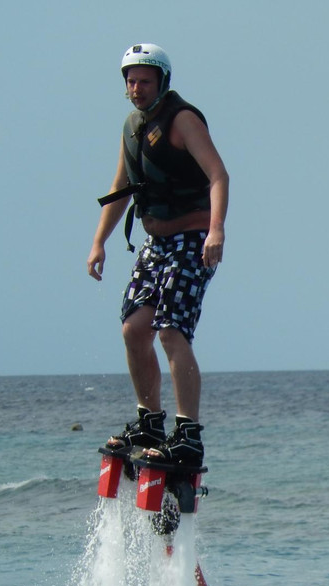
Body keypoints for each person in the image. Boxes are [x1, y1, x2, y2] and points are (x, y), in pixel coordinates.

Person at [87, 43, 229, 469]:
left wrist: (217, 230)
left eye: (144, 81)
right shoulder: (132, 127)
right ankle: (149, 421)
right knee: (134, 329)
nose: (136, 89)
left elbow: (219, 175)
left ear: (162, 82)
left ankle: (187, 434)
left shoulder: (182, 119)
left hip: (192, 239)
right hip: (156, 244)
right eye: (130, 82)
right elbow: (121, 188)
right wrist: (99, 242)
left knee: (170, 331)